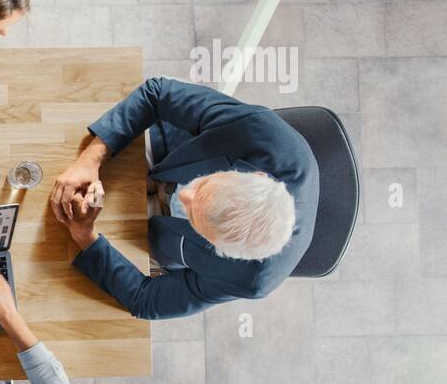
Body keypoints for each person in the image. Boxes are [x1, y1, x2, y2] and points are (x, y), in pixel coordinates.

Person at [51, 76, 319, 320]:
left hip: (162, 234)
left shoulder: (252, 279)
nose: (186, 195)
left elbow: (146, 300)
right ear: (256, 175)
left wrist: (86, 236)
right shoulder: (265, 133)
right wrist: (91, 159)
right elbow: (157, 93)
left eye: (195, 217)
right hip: (165, 157)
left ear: (224, 251)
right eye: (204, 186)